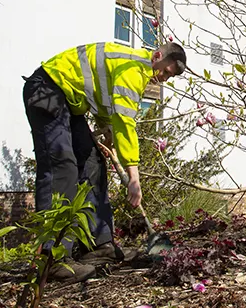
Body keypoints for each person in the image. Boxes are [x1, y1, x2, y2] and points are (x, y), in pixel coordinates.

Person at [22, 40, 186, 282]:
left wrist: (106, 129)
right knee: (62, 168)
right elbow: (125, 122)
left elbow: (102, 98)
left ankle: (98, 246)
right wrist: (134, 176)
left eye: (169, 77)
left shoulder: (135, 68)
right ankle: (52, 258)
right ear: (157, 56)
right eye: (165, 72)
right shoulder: (132, 68)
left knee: (93, 163)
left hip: (69, 101)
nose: (163, 78)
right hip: (47, 89)